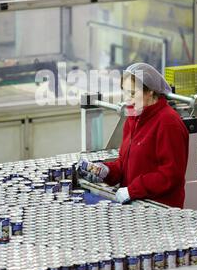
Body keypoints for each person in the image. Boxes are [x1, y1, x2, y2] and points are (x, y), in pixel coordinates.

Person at [78, 63, 189, 208]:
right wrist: (106, 171)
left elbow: (170, 176)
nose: (128, 100)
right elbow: (126, 164)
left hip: (161, 210)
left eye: (132, 93)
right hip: (136, 205)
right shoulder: (134, 117)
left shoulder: (168, 123)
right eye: (125, 92)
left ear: (150, 91)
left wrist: (133, 190)